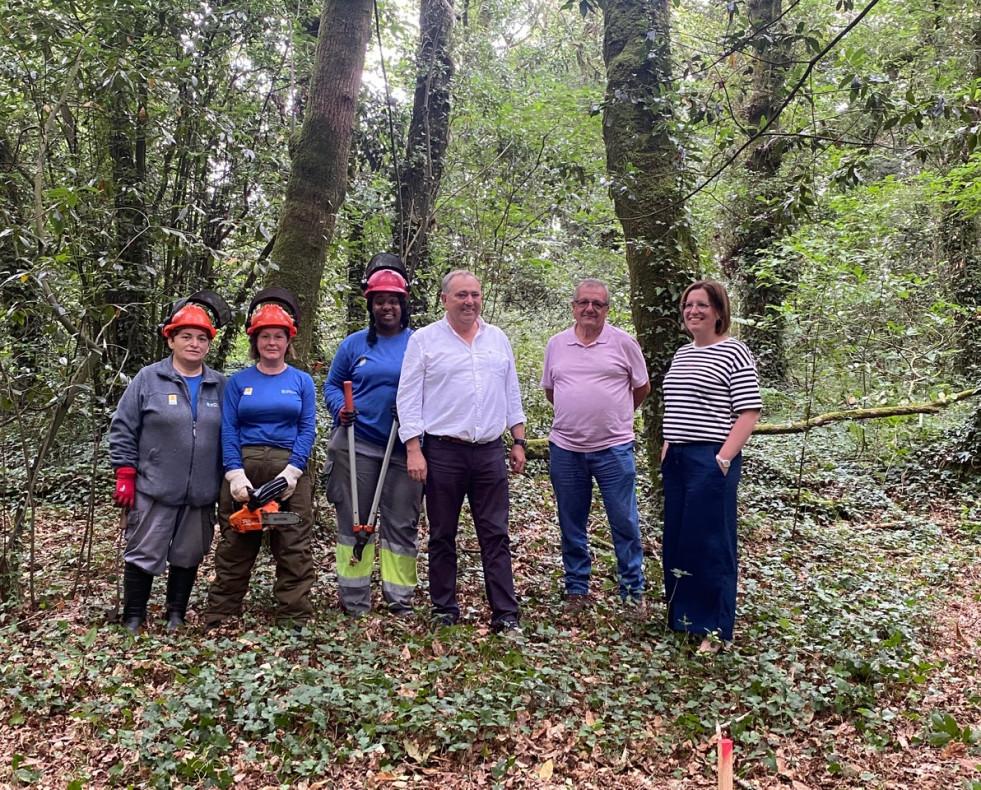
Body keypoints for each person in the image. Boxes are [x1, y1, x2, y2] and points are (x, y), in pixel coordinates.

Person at [396, 270, 527, 633]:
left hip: (489, 452)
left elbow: (510, 391)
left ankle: (505, 613)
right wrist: (413, 449)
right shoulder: (424, 340)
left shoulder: (497, 339)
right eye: (461, 295)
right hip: (442, 452)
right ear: (444, 300)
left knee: (495, 534)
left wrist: (517, 440)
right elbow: (407, 398)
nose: (469, 301)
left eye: (475, 294)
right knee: (442, 534)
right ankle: (443, 609)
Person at [109, 295, 228, 634]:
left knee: (188, 555)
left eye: (202, 338)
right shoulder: (148, 379)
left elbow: (232, 434)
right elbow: (123, 427)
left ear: (209, 344)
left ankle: (175, 615)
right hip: (154, 488)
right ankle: (133, 617)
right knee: (143, 552)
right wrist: (125, 473)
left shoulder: (220, 385)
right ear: (171, 338)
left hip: (201, 492)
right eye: (187, 336)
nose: (194, 343)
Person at [202, 294, 317, 631]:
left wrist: (293, 471)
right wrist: (235, 474)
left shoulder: (301, 381)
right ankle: (221, 614)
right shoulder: (238, 382)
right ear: (254, 341)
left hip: (287, 473)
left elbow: (307, 427)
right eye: (264, 336)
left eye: (278, 336)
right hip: (246, 468)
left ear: (288, 340)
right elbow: (229, 428)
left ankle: (294, 616)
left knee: (293, 542)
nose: (272, 342)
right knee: (237, 540)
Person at [661, 280, 762, 653]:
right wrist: (668, 446)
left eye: (702, 305)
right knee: (678, 538)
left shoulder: (734, 352)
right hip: (677, 459)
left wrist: (723, 458)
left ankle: (714, 631)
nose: (693, 311)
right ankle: (683, 618)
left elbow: (748, 411)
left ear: (719, 312)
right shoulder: (682, 355)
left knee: (712, 543)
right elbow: (676, 405)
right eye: (688, 305)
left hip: (711, 458)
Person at [541, 278, 650, 611]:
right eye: (583, 302)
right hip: (566, 449)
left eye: (597, 304)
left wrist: (614, 417)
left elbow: (641, 388)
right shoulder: (556, 345)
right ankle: (576, 588)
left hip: (614, 450)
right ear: (573, 306)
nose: (590, 309)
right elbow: (551, 391)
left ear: (606, 309)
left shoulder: (624, 343)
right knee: (571, 520)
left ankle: (632, 591)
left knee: (624, 521)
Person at [324, 267, 423, 616]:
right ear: (371, 306)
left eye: (393, 301)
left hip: (405, 449)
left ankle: (400, 601)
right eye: (379, 301)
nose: (386, 308)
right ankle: (354, 602)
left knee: (401, 524)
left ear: (403, 304)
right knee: (356, 521)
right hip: (359, 445)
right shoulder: (354, 345)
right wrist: (341, 409)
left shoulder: (418, 343)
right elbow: (332, 386)